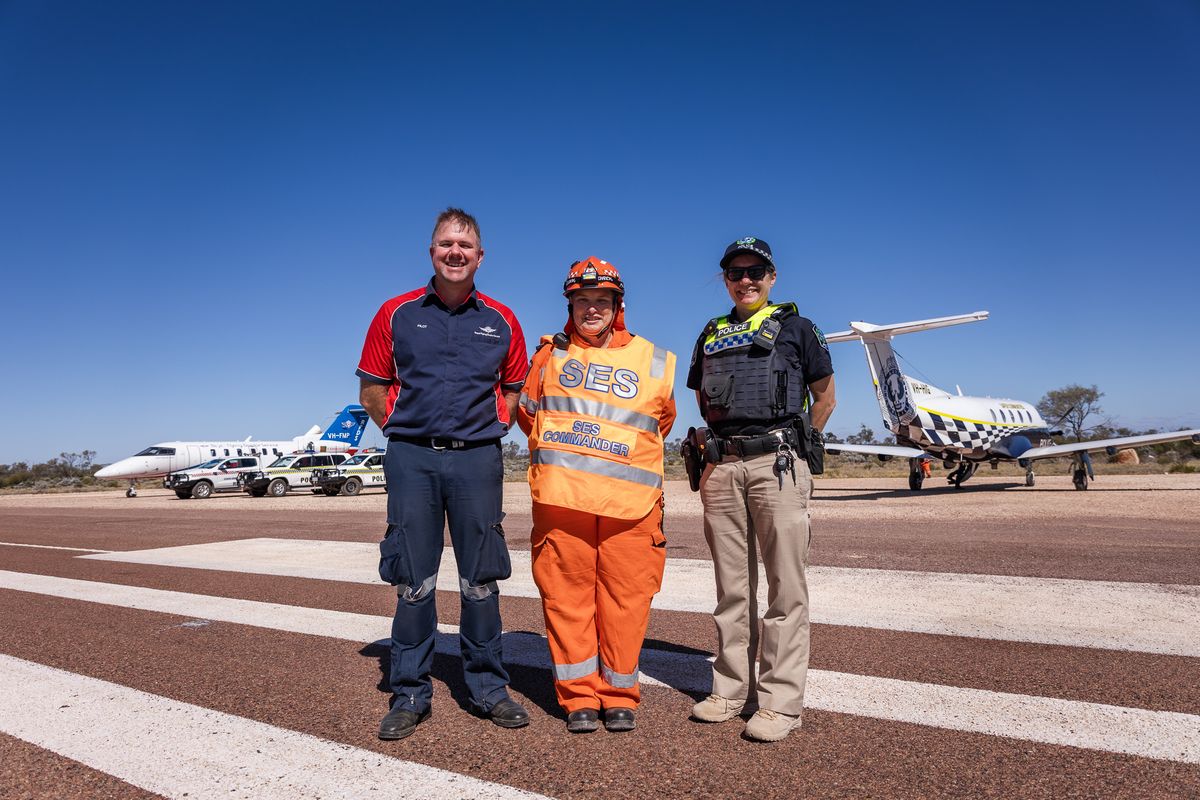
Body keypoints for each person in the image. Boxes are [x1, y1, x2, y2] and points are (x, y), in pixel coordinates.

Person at [357, 207, 531, 740]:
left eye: (465, 245)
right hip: (412, 458)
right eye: (445, 244)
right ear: (432, 251)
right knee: (414, 578)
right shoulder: (397, 312)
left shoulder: (501, 319)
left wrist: (492, 425)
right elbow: (372, 389)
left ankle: (487, 687)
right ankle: (409, 691)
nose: (455, 252)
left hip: (477, 458)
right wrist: (408, 432)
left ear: (481, 255)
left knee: (481, 577)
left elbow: (514, 385)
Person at [516, 257, 676, 733]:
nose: (591, 309)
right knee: (567, 600)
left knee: (626, 603)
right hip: (563, 503)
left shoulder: (655, 359)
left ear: (617, 306)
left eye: (600, 301)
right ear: (570, 305)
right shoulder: (547, 356)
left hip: (632, 509)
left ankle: (619, 693)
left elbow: (661, 423)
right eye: (582, 301)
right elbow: (529, 415)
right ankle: (579, 696)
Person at [686, 236, 835, 742]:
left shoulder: (798, 328)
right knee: (733, 589)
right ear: (725, 279)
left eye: (756, 272)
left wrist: (796, 442)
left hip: (778, 464)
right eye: (735, 272)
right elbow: (705, 403)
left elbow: (826, 396)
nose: (745, 280)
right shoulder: (710, 333)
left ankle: (780, 702)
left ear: (772, 277)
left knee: (785, 588)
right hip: (723, 467)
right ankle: (730, 690)